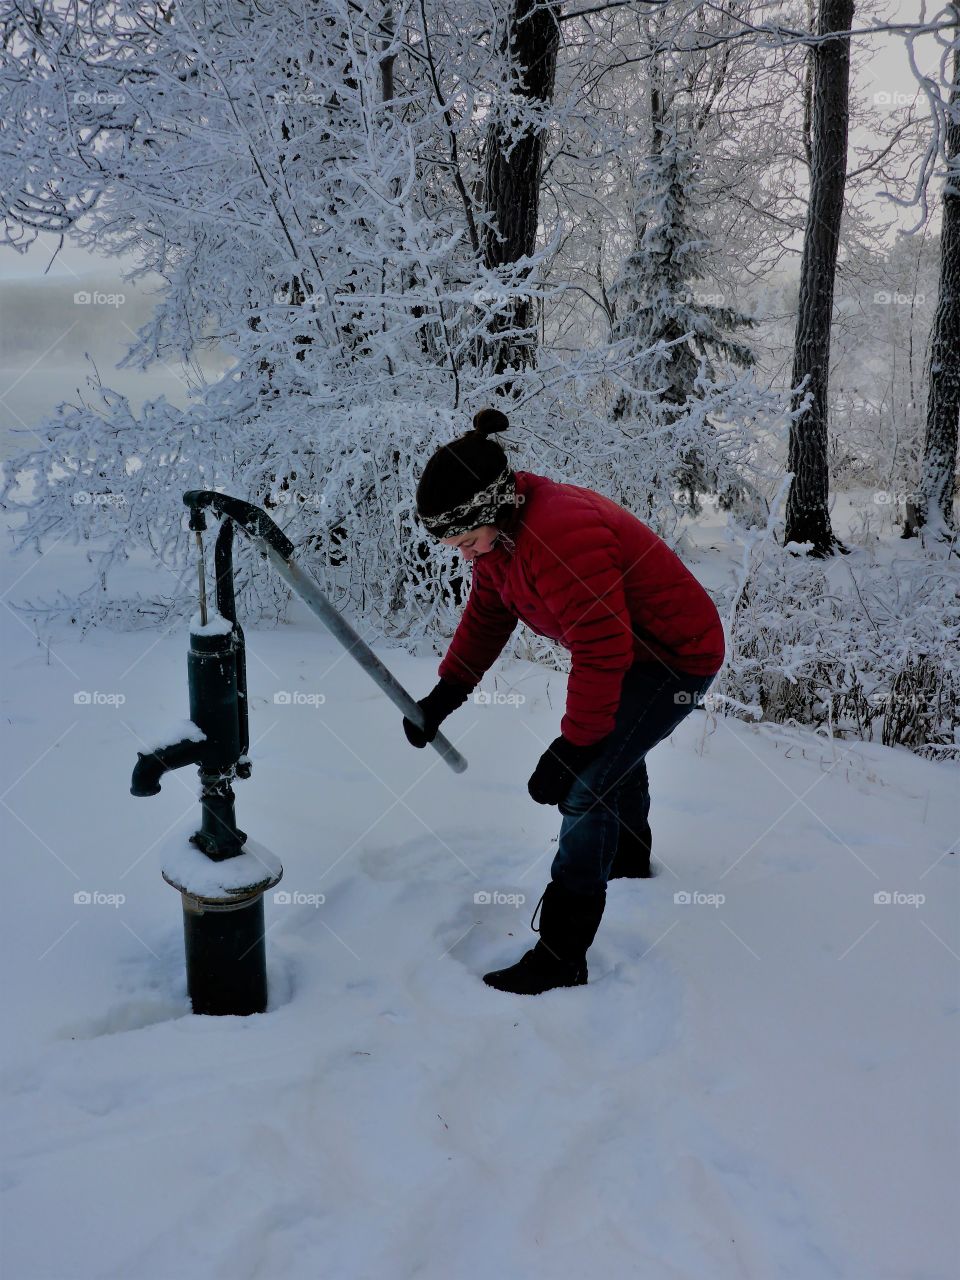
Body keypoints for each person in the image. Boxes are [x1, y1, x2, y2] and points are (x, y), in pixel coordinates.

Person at [403, 407, 725, 995]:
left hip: (677, 656)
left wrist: (574, 747)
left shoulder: (557, 535)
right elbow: (489, 613)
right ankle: (627, 857)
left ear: (491, 509)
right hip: (636, 652)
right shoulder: (499, 539)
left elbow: (601, 651)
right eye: (456, 545)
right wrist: (447, 692)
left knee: (587, 783)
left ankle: (560, 955)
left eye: (465, 540)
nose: (465, 555)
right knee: (614, 748)